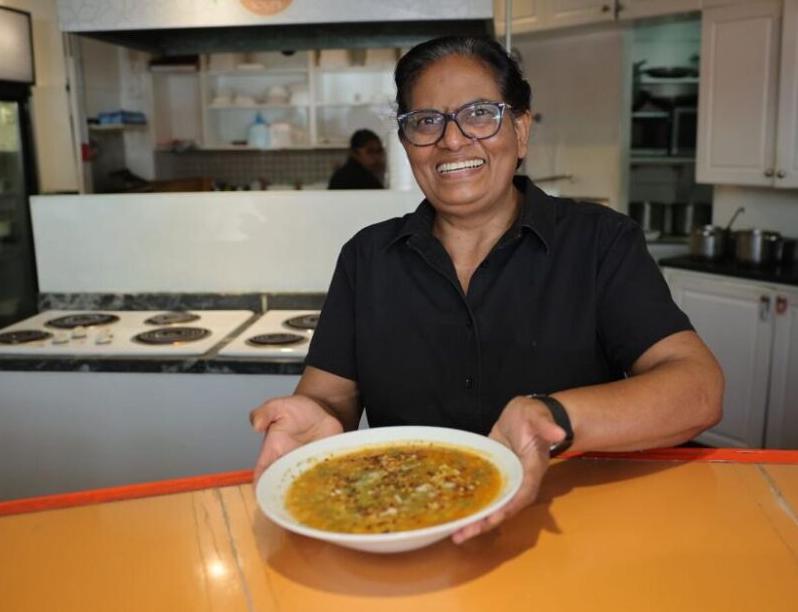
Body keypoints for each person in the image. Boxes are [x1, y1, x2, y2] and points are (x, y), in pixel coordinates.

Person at [251, 36, 724, 544]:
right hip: (408, 535)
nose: (452, 140)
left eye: (480, 113)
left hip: (571, 531)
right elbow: (329, 400)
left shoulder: (599, 242)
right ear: (408, 143)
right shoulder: (367, 258)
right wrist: (315, 423)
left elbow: (696, 388)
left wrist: (555, 417)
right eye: (426, 121)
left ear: (520, 130)